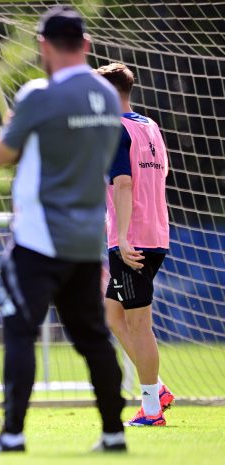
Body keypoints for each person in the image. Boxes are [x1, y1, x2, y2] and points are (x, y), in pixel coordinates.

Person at [0, 6, 126, 454]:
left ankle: (11, 434)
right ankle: (114, 433)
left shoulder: (38, 94)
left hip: (39, 239)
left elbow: (1, 154)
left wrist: (13, 127)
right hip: (88, 238)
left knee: (20, 332)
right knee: (93, 337)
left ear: (43, 46)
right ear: (86, 45)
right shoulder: (109, 97)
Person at [95, 63, 173, 426]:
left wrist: (123, 237)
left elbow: (124, 184)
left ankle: (152, 411)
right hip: (155, 232)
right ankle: (157, 389)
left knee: (139, 324)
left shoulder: (114, 128)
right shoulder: (150, 126)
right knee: (113, 314)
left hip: (133, 239)